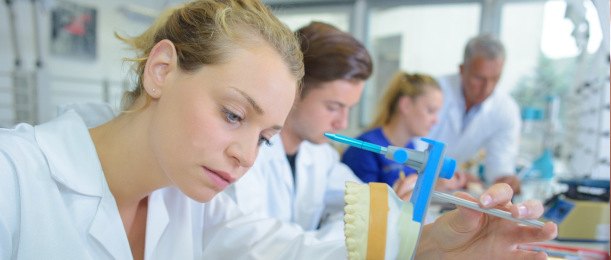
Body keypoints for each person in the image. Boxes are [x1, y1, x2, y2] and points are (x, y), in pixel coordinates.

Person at [0, 2, 556, 259]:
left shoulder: (194, 200)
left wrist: (426, 248)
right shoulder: (15, 181)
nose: (246, 156)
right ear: (161, 70)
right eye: (234, 115)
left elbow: (288, 251)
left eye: (265, 136)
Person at [224, 21, 373, 241]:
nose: (342, 123)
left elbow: (363, 205)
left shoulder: (322, 155)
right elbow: (254, 243)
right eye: (333, 107)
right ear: (294, 91)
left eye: (349, 109)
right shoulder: (245, 151)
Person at [428, 34, 522, 193]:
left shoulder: (506, 109)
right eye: (479, 78)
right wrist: (444, 176)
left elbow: (500, 164)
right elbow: (412, 147)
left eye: (495, 78)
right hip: (410, 182)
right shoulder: (433, 92)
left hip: (448, 191)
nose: (487, 88)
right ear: (462, 69)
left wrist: (504, 180)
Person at [341, 72, 443, 198]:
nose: (436, 120)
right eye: (430, 111)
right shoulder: (364, 149)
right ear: (406, 105)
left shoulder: (410, 147)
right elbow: (362, 207)